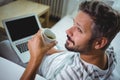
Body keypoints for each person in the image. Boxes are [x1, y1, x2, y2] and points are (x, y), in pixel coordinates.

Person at [20, 0, 120, 80]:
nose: (68, 31)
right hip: (61, 57)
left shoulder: (71, 75)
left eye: (79, 29)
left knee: (4, 45)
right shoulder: (108, 52)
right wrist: (53, 51)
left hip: (42, 64)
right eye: (74, 24)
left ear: (99, 43)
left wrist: (36, 57)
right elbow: (76, 57)